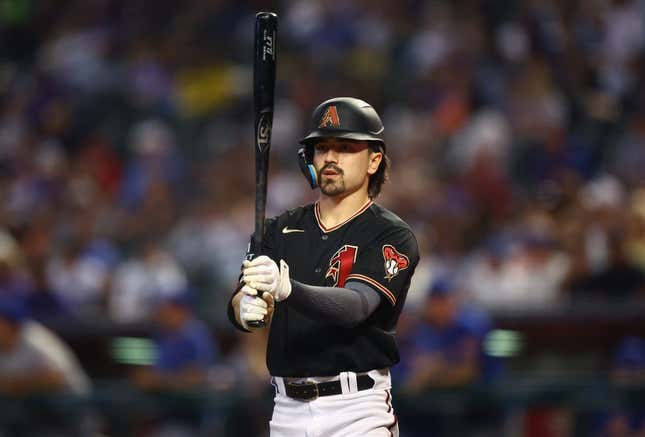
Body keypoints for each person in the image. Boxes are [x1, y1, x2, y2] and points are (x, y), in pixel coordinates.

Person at [227, 97, 419, 436]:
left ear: (374, 159)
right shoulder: (277, 229)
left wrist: (288, 289)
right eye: (322, 147)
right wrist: (245, 308)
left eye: (345, 147)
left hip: (357, 411)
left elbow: (356, 306)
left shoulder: (389, 233)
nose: (330, 157)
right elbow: (240, 304)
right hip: (286, 410)